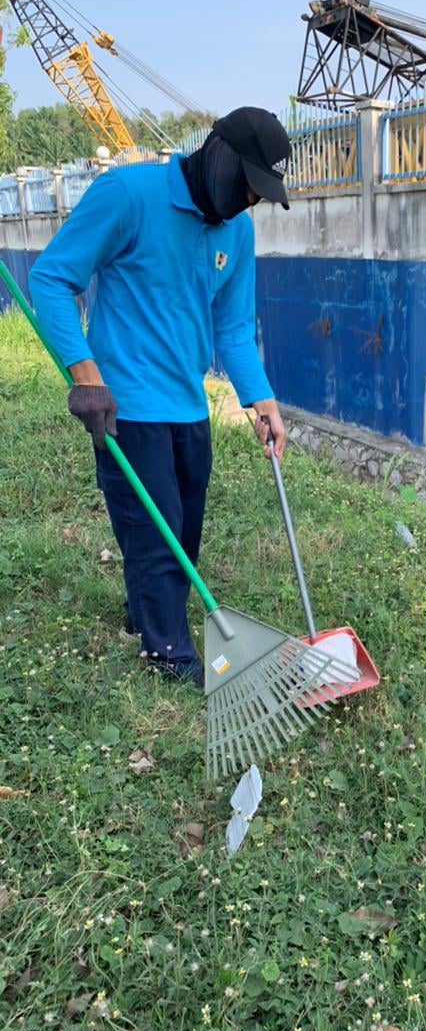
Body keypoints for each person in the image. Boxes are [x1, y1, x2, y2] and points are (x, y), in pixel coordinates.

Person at [28, 107, 290, 689]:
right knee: (155, 532)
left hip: (189, 405)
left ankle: (144, 610)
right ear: (217, 154)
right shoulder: (127, 193)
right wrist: (87, 377)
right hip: (127, 405)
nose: (248, 201)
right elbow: (51, 278)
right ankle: (169, 653)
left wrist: (262, 400)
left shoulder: (236, 230)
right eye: (245, 185)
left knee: (183, 532)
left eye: (259, 194)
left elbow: (232, 327)